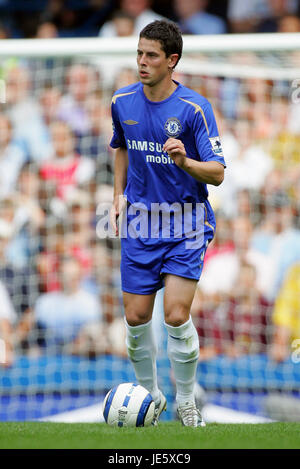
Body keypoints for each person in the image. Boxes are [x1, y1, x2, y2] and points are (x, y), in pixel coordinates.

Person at [109, 20, 225, 427]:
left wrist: (186, 162)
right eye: (139, 53)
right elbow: (120, 147)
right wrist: (117, 193)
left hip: (186, 222)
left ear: (172, 60)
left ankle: (187, 401)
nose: (142, 62)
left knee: (175, 315)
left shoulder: (195, 109)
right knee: (137, 318)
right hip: (141, 222)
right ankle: (151, 399)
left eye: (151, 55)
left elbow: (217, 173)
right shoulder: (122, 101)